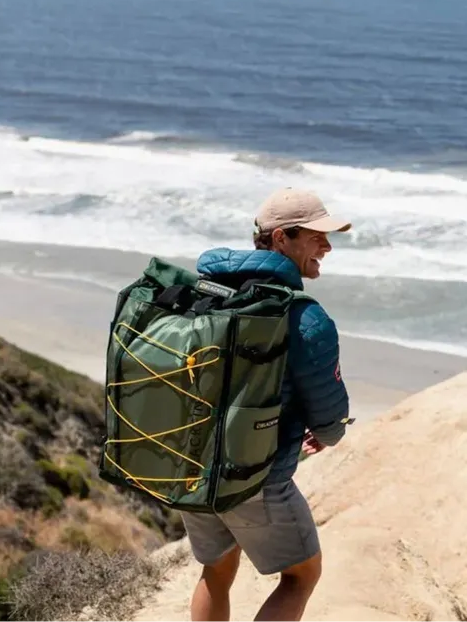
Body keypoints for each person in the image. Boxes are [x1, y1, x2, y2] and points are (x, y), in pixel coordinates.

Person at [178, 187, 353, 622]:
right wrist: (328, 434)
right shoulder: (305, 318)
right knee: (301, 576)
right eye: (317, 236)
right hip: (256, 477)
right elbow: (329, 418)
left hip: (192, 464)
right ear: (280, 239)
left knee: (216, 569)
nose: (327, 247)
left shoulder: (207, 292)